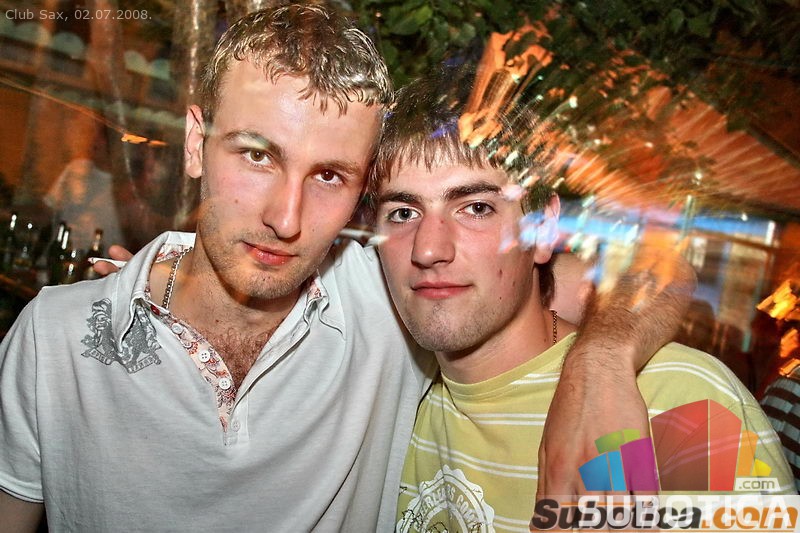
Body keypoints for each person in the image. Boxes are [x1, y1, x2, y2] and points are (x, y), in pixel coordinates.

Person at [1, 4, 687, 532]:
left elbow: (655, 255)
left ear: (361, 193)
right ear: (195, 142)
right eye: (257, 155)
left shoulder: (393, 292)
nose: (286, 217)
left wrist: (600, 363)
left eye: (329, 175)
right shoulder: (53, 338)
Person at [366, 73, 795, 532]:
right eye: (403, 213)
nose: (429, 249)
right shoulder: (397, 393)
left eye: (476, 208)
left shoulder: (680, 403)